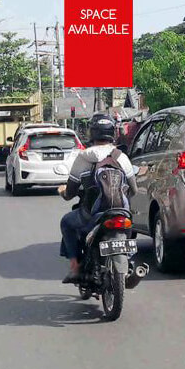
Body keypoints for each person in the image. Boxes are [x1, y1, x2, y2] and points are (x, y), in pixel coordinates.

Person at [57, 113, 137, 284]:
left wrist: (62, 191)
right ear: (112, 133)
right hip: (121, 212)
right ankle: (128, 262)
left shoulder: (84, 157)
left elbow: (70, 193)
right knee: (130, 227)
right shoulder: (120, 156)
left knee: (66, 222)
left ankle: (75, 267)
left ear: (92, 133)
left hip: (92, 214)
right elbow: (134, 189)